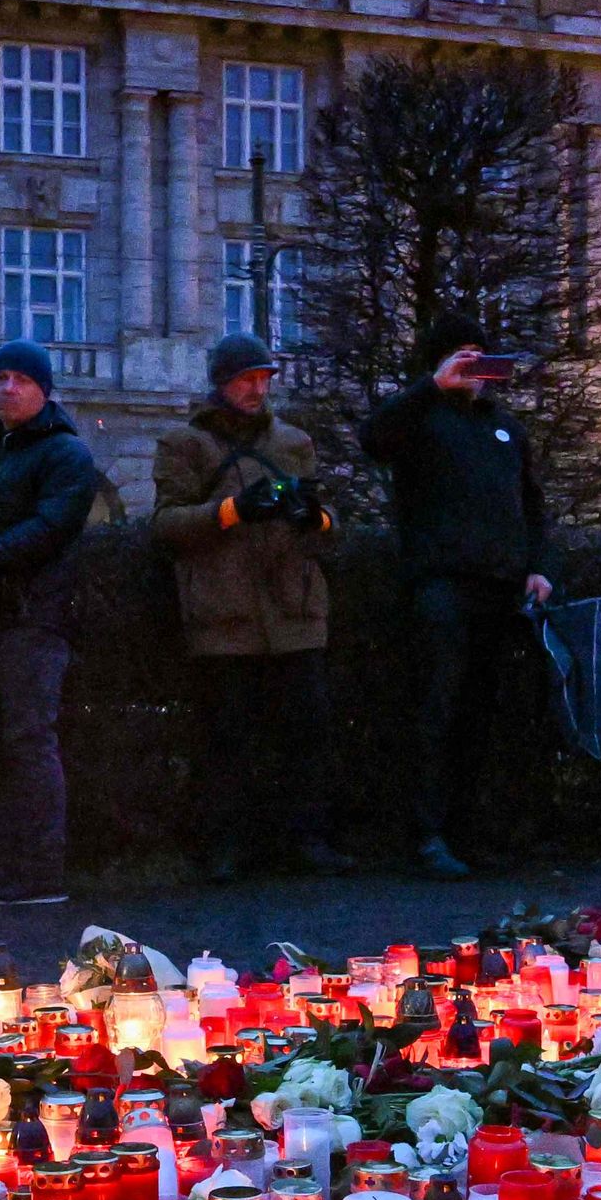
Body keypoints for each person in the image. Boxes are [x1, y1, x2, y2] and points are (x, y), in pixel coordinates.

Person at [364, 313, 551, 879]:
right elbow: (372, 438)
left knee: (481, 717)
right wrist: (432, 387)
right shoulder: (419, 419)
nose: (474, 369)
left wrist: (539, 567)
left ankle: (470, 832)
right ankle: (426, 834)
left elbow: (532, 505)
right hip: (441, 586)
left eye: (480, 357)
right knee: (436, 711)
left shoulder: (506, 428)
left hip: (499, 591)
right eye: (461, 357)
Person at [151, 333, 344, 881]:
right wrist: (234, 510)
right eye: (245, 380)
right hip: (224, 617)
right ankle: (224, 848)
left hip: (295, 611)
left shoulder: (293, 441)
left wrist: (317, 518)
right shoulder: (184, 443)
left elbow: (330, 523)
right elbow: (165, 525)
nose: (257, 390)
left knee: (306, 736)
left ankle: (305, 842)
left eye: (263, 379)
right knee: (225, 739)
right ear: (220, 383)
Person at [0, 340, 108, 907]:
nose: (8, 387)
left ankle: (38, 871)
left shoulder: (66, 454)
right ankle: (2, 865)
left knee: (29, 741)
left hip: (35, 619)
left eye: (21, 379)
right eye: (0, 377)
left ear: (44, 389)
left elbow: (50, 529)